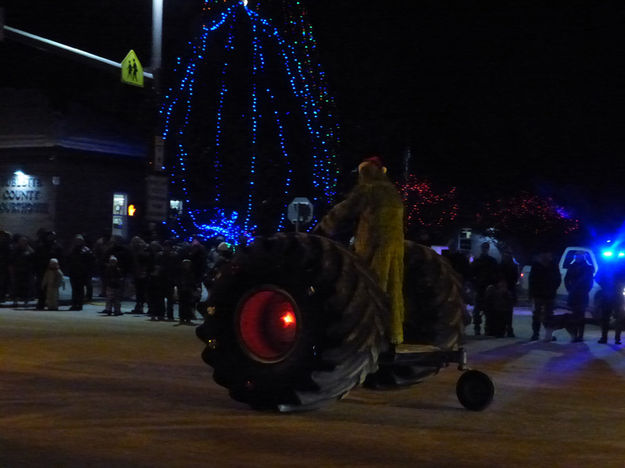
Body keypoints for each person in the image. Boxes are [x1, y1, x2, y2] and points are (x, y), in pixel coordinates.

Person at [313, 155, 405, 344]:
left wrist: (322, 228)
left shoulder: (368, 189)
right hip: (395, 248)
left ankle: (368, 335)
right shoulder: (392, 192)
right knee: (393, 290)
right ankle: (394, 334)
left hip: (372, 245)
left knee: (368, 289)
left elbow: (344, 211)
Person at [528, 251, 561, 341]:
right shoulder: (536, 266)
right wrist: (532, 294)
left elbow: (558, 279)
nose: (545, 255)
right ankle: (536, 334)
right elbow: (531, 280)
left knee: (549, 315)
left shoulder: (553, 265)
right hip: (538, 294)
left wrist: (553, 288)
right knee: (537, 315)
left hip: (549, 294)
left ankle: (548, 335)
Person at [469, 242, 499, 335]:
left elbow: (471, 274)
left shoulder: (481, 261)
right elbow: (471, 274)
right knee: (482, 309)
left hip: (485, 287)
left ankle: (484, 328)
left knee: (484, 309)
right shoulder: (487, 261)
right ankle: (482, 328)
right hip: (482, 287)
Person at [564, 252, 594, 342]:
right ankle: (574, 335)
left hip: (582, 294)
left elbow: (590, 281)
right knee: (575, 315)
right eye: (576, 256)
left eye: (579, 256)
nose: (577, 258)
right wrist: (569, 289)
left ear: (583, 257)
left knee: (580, 315)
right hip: (574, 294)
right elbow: (566, 279)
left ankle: (580, 335)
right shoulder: (572, 266)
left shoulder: (588, 267)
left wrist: (585, 290)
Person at [66, 234, 95, 311]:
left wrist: (88, 272)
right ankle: (74, 304)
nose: (78, 242)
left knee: (80, 289)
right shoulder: (72, 250)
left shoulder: (86, 250)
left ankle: (79, 304)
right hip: (74, 272)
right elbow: (68, 260)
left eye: (79, 240)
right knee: (75, 289)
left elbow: (91, 262)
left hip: (82, 273)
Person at [499, 250, 519, 337]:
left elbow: (515, 278)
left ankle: (505, 329)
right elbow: (515, 278)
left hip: (507, 289)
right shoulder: (511, 266)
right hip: (507, 289)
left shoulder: (503, 265)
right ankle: (506, 329)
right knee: (506, 311)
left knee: (505, 310)